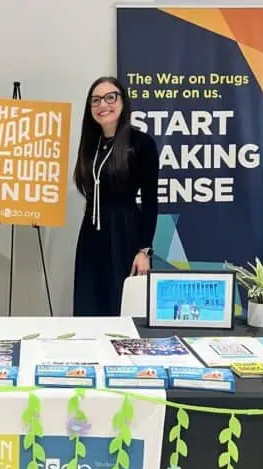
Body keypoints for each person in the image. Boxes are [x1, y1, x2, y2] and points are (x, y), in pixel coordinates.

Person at [73, 76, 159, 316]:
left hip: (124, 233)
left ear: (123, 102)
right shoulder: (91, 143)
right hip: (91, 236)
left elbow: (150, 201)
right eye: (96, 100)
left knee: (120, 306)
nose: (103, 105)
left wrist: (144, 250)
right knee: (89, 306)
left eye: (110, 97)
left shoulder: (141, 143)